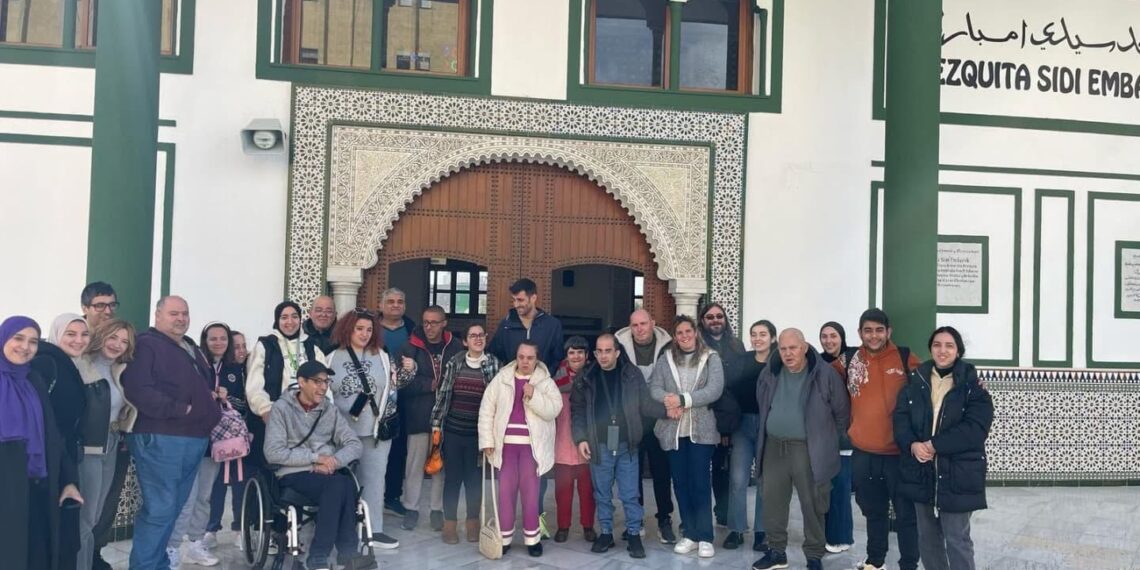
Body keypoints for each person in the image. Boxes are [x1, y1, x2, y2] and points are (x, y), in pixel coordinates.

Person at [120, 296, 223, 570]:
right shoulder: (146, 344)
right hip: (163, 437)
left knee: (174, 509)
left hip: (193, 438)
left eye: (185, 313)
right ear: (157, 315)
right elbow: (138, 388)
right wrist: (181, 409)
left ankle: (158, 563)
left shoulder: (188, 346)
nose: (181, 318)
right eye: (174, 313)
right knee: (160, 509)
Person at [894, 327, 993, 570]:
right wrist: (913, 445)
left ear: (958, 350)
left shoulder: (973, 387)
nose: (942, 350)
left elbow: (975, 429)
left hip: (958, 473)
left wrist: (934, 444)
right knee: (927, 539)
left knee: (956, 538)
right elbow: (900, 419)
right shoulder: (915, 382)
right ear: (931, 348)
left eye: (949, 345)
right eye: (937, 345)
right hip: (922, 471)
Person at [750, 329, 850, 570]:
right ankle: (776, 552)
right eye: (783, 349)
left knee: (813, 503)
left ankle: (814, 556)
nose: (787, 353)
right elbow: (762, 403)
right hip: (774, 447)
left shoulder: (824, 375)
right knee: (773, 502)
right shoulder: (770, 372)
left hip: (808, 450)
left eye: (793, 348)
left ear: (804, 347)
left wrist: (824, 440)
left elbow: (842, 413)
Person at [264, 361, 375, 570]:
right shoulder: (281, 409)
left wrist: (334, 461)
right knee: (338, 486)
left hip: (327, 472)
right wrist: (315, 458)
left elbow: (354, 444)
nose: (324, 387)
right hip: (293, 472)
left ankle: (338, 554)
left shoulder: (329, 411)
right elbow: (273, 453)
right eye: (317, 381)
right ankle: (334, 553)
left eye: (326, 381)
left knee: (344, 484)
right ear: (301, 382)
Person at [837, 309, 922, 570]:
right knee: (873, 512)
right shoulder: (849, 359)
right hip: (864, 453)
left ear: (889, 331)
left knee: (906, 514)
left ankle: (909, 563)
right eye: (867, 330)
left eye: (879, 330)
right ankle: (875, 561)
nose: (873, 336)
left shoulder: (905, 357)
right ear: (860, 332)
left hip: (899, 454)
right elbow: (820, 373)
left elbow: (933, 381)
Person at [0, 316, 85, 570]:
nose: (25, 347)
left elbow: (52, 434)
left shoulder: (33, 380)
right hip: (6, 483)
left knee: (35, 551)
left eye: (33, 341)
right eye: (18, 338)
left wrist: (68, 480)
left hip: (37, 483)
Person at [572, 333, 665, 559]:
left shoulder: (631, 374)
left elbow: (645, 404)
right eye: (599, 351)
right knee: (602, 493)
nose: (603, 356)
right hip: (599, 444)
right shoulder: (586, 377)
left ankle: (633, 534)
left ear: (617, 352)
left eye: (607, 351)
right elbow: (577, 411)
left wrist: (668, 410)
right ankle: (605, 532)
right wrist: (581, 439)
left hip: (627, 444)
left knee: (630, 493)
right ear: (594, 354)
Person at [649, 315, 724, 559]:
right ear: (675, 336)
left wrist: (684, 400)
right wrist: (668, 401)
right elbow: (654, 387)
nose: (684, 336)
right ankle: (690, 534)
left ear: (696, 332)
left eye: (687, 332)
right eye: (679, 333)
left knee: (700, 483)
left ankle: (705, 536)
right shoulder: (666, 359)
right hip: (674, 431)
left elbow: (714, 389)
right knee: (680, 483)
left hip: (701, 432)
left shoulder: (710, 357)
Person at [163, 322, 237, 568]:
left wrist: (227, 397)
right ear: (204, 341)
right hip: (192, 437)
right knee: (186, 496)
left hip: (217, 442)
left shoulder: (235, 369)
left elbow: (243, 402)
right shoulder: (195, 365)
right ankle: (172, 547)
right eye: (212, 338)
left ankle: (196, 543)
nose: (218, 343)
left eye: (223, 338)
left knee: (204, 496)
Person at [478, 341, 562, 557]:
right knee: (505, 494)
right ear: (516, 357)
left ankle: (532, 538)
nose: (525, 361)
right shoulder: (502, 379)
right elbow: (487, 409)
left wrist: (534, 395)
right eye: (521, 357)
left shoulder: (545, 382)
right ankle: (504, 538)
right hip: (505, 447)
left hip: (531, 449)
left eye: (530, 357)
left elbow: (554, 409)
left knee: (530, 494)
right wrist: (487, 440)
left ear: (537, 359)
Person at [326, 309, 401, 549]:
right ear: (348, 328)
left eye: (369, 329)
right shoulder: (330, 357)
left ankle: (373, 529)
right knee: (341, 482)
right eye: (360, 328)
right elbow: (324, 395)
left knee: (375, 479)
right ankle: (342, 527)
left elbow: (392, 389)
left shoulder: (382, 355)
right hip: (341, 433)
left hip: (374, 430)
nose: (365, 334)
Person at [74, 319, 137, 570]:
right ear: (101, 335)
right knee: (85, 519)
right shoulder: (82, 363)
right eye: (113, 338)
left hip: (111, 443)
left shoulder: (120, 370)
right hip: (88, 447)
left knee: (96, 516)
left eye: (124, 341)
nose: (117, 345)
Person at [431, 323, 502, 544]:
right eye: (473, 336)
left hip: (478, 435)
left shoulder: (494, 364)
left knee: (474, 481)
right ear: (465, 341)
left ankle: (473, 524)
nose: (478, 339)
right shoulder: (455, 362)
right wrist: (436, 425)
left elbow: (499, 400)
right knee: (452, 480)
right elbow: (443, 394)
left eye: (481, 335)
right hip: (453, 432)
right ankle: (450, 525)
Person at [396, 305, 463, 531]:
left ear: (444, 323)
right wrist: (429, 384)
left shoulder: (455, 347)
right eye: (425, 322)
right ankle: (411, 509)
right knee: (414, 465)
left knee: (439, 465)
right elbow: (400, 383)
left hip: (446, 417)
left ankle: (437, 509)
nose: (429, 327)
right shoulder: (409, 346)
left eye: (434, 322)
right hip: (418, 415)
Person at [614, 308, 676, 544]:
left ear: (653, 322)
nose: (639, 329)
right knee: (632, 471)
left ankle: (664, 520)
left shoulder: (669, 346)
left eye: (643, 324)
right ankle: (635, 520)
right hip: (631, 418)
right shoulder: (620, 347)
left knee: (662, 471)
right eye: (635, 325)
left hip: (659, 417)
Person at [245, 300, 330, 469]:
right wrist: (265, 410)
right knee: (275, 465)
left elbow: (325, 382)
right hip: (275, 417)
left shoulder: (311, 346)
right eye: (284, 317)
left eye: (294, 316)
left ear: (300, 319)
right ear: (277, 320)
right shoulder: (265, 346)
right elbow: (254, 385)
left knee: (305, 463)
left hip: (308, 417)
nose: (289, 322)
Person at [78, 282, 124, 570]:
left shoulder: (116, 354)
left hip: (113, 441)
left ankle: (93, 555)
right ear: (85, 308)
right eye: (99, 305)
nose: (107, 311)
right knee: (84, 513)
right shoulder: (76, 346)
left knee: (100, 510)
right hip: (85, 444)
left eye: (111, 305)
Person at [723, 319, 777, 551]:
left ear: (773, 338)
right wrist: (726, 427)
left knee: (765, 481)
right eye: (754, 334)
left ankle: (761, 532)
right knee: (738, 479)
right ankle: (736, 530)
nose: (757, 339)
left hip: (769, 427)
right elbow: (729, 392)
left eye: (763, 334)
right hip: (742, 426)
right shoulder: (742, 362)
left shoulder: (778, 363)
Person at [205, 325, 253, 543]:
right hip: (218, 436)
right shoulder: (213, 369)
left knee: (240, 481)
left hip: (242, 436)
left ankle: (240, 528)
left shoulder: (246, 370)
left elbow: (247, 403)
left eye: (244, 346)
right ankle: (211, 530)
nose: (240, 351)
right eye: (236, 346)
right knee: (217, 483)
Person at [698, 302, 743, 528]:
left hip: (733, 418)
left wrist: (728, 425)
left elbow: (741, 382)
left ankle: (725, 513)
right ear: (702, 322)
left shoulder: (736, 345)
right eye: (710, 317)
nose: (715, 320)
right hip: (705, 416)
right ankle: (702, 516)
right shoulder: (697, 347)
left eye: (719, 316)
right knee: (704, 469)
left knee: (725, 468)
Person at [550, 336, 596, 544]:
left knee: (588, 491)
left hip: (587, 442)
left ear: (587, 356)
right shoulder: (554, 380)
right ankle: (563, 526)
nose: (576, 356)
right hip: (561, 441)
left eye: (580, 352)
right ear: (566, 356)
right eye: (571, 352)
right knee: (563, 490)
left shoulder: (594, 378)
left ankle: (588, 525)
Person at [30, 314, 89, 473]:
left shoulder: (71, 366)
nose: (79, 340)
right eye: (70, 334)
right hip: (45, 453)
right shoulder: (45, 363)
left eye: (84, 334)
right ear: (57, 333)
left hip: (62, 452)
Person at [378, 287, 415, 517]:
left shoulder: (413, 330)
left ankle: (392, 496)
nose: (395, 305)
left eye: (400, 301)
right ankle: (365, 496)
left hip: (403, 399)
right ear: (381, 305)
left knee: (398, 450)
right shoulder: (368, 328)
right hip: (374, 400)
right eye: (390, 301)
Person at [818, 321, 854, 554]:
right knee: (824, 487)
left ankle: (841, 538)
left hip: (845, 434)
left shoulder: (854, 359)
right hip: (822, 435)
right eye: (824, 336)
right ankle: (826, 534)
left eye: (833, 336)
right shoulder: (818, 362)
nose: (829, 340)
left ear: (841, 337)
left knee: (840, 486)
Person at [489, 278, 565, 371]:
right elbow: (494, 356)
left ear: (533, 298)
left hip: (542, 383)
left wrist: (543, 379)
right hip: (511, 383)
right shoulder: (505, 325)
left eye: (520, 300)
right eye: (514, 300)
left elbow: (557, 359)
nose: (516, 304)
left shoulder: (552, 325)